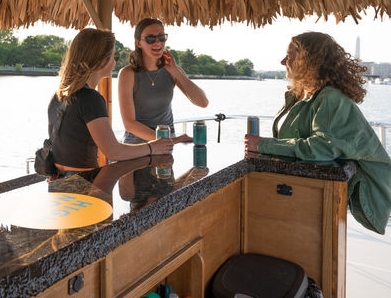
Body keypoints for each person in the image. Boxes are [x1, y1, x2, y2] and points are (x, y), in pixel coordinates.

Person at [244, 32, 391, 234]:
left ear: (309, 59)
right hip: (295, 188)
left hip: (315, 194)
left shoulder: (329, 98)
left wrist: (263, 145)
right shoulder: (299, 95)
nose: (283, 61)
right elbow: (293, 140)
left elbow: (322, 147)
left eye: (290, 55)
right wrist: (264, 153)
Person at [48, 28, 189, 174]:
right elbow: (114, 152)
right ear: (101, 60)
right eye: (113, 56)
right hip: (82, 181)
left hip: (58, 179)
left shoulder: (59, 96)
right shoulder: (91, 99)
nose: (115, 62)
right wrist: (153, 147)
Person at [118, 18, 208, 144]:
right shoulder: (127, 74)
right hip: (137, 143)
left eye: (161, 37)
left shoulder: (173, 70)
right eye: (150, 38)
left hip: (167, 142)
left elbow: (203, 102)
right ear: (138, 43)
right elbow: (129, 124)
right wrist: (171, 140)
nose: (157, 43)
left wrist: (176, 72)